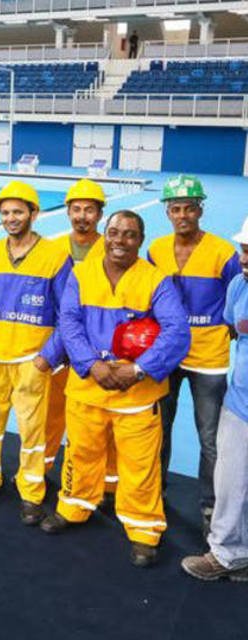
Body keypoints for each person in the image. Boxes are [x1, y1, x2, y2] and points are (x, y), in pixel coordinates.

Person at [40, 211, 190, 568]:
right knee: (81, 454)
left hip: (136, 395)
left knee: (139, 465)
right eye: (114, 233)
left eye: (129, 235)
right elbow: (69, 323)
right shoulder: (82, 274)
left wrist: (139, 370)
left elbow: (177, 332)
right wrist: (92, 364)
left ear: (140, 241)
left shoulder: (156, 280)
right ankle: (75, 506)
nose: (120, 241)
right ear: (104, 235)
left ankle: (143, 529)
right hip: (87, 388)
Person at [0, 181, 71, 525]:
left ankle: (31, 491)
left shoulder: (56, 256)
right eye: (6, 212)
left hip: (31, 361)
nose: (11, 218)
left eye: (18, 212)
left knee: (32, 432)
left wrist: (48, 355)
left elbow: (66, 313)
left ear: (34, 214)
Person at [148, 175, 240, 532]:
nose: (182, 215)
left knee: (209, 438)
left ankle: (209, 505)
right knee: (160, 429)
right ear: (167, 213)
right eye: (176, 209)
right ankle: (154, 491)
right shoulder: (156, 250)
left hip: (209, 360)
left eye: (189, 208)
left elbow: (238, 292)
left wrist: (227, 326)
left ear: (200, 210)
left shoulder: (222, 252)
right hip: (168, 356)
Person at [181, 218, 248, 582]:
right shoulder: (239, 285)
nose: (244, 259)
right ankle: (227, 553)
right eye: (243, 250)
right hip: (240, 401)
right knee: (230, 478)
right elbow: (231, 328)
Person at [46, 179, 117, 493]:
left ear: (100, 214)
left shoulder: (113, 250)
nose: (82, 215)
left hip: (100, 347)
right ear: (68, 212)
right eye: (76, 209)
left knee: (104, 419)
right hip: (59, 344)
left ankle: (109, 482)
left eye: (89, 209)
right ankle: (44, 466)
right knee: (52, 410)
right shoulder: (53, 248)